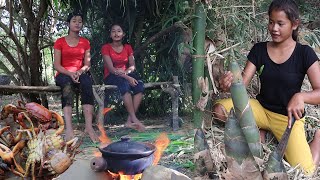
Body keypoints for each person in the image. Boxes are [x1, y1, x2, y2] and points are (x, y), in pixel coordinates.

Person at [212, 0, 320, 175]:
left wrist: (301, 97)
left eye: (280, 23)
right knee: (219, 111)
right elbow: (243, 82)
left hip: (287, 119)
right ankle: (260, 130)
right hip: (260, 109)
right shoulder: (259, 50)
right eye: (271, 22)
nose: (274, 28)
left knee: (306, 171)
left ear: (294, 24)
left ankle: (318, 140)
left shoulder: (304, 53)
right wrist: (229, 83)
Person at [54, 11, 99, 142]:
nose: (77, 23)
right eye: (74, 21)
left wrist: (79, 72)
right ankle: (69, 128)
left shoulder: (85, 42)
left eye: (80, 21)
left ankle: (89, 127)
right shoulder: (60, 42)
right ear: (68, 24)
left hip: (80, 74)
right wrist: (70, 73)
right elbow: (57, 65)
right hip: (63, 74)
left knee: (87, 83)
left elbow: (87, 64)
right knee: (67, 85)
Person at [101, 23, 145, 131]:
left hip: (126, 74)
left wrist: (126, 73)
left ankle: (129, 121)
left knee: (139, 86)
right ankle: (134, 119)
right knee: (125, 84)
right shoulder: (106, 47)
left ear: (123, 34)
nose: (116, 33)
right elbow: (111, 69)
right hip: (111, 76)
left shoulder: (128, 47)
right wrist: (127, 77)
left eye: (119, 31)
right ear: (110, 34)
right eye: (113, 31)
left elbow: (132, 66)